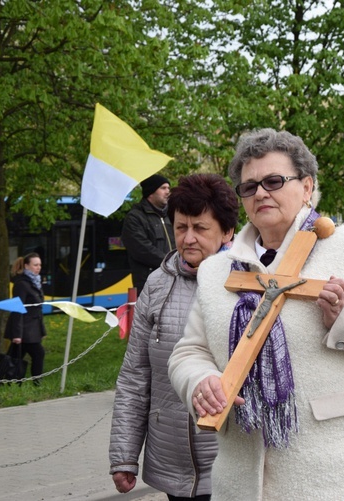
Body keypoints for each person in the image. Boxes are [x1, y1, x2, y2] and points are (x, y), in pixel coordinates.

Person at [168, 128, 344, 500]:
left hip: (338, 472)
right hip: (241, 477)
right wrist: (199, 381)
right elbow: (189, 351)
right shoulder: (217, 271)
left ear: (307, 187)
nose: (261, 192)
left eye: (274, 181)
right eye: (249, 186)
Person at [109, 173, 239, 500]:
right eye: (181, 228)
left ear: (227, 231)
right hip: (172, 461)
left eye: (200, 228)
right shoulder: (156, 283)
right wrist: (124, 455)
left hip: (233, 461)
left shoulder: (251, 283)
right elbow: (135, 375)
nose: (188, 238)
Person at [122, 174, 175, 296]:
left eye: (168, 188)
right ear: (150, 192)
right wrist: (171, 263)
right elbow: (141, 249)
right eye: (163, 188)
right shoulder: (135, 217)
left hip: (174, 281)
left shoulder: (172, 215)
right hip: (150, 285)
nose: (168, 192)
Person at [3, 253, 47, 384]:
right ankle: (36, 383)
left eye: (40, 265)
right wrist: (17, 334)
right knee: (38, 353)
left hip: (33, 328)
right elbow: (17, 310)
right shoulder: (22, 284)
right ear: (27, 266)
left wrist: (42, 330)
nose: (38, 267)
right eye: (35, 265)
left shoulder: (35, 282)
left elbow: (37, 309)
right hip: (24, 328)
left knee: (14, 357)